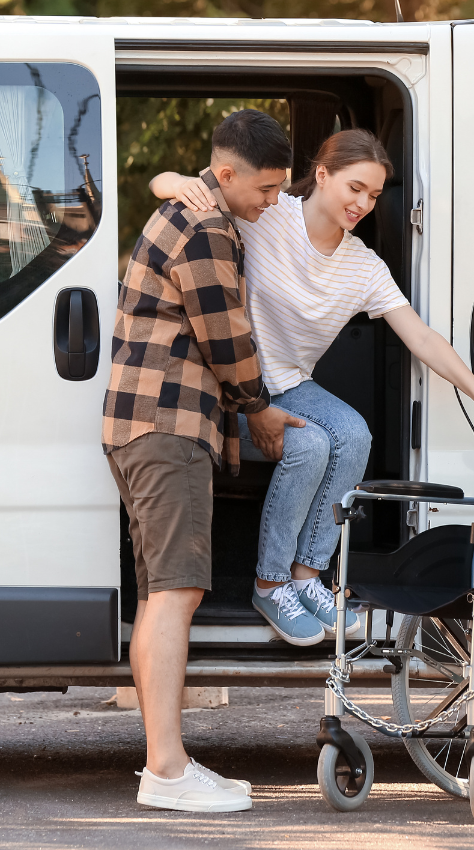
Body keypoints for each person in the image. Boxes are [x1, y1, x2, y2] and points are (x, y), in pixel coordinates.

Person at [150, 127, 474, 647]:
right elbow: (169, 184)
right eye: (355, 188)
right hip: (233, 386)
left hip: (290, 385)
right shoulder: (269, 214)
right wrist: (177, 183)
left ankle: (307, 575)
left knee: (354, 435)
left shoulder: (363, 266)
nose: (363, 204)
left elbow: (422, 336)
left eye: (373, 195)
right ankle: (270, 584)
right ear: (322, 174)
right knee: (309, 446)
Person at [102, 110, 306, 813]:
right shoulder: (206, 226)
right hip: (168, 424)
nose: (272, 201)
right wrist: (259, 409)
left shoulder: (192, 209)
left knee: (161, 594)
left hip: (142, 425)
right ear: (226, 174)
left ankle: (168, 762)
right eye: (267, 188)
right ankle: (166, 771)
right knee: (177, 594)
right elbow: (226, 337)